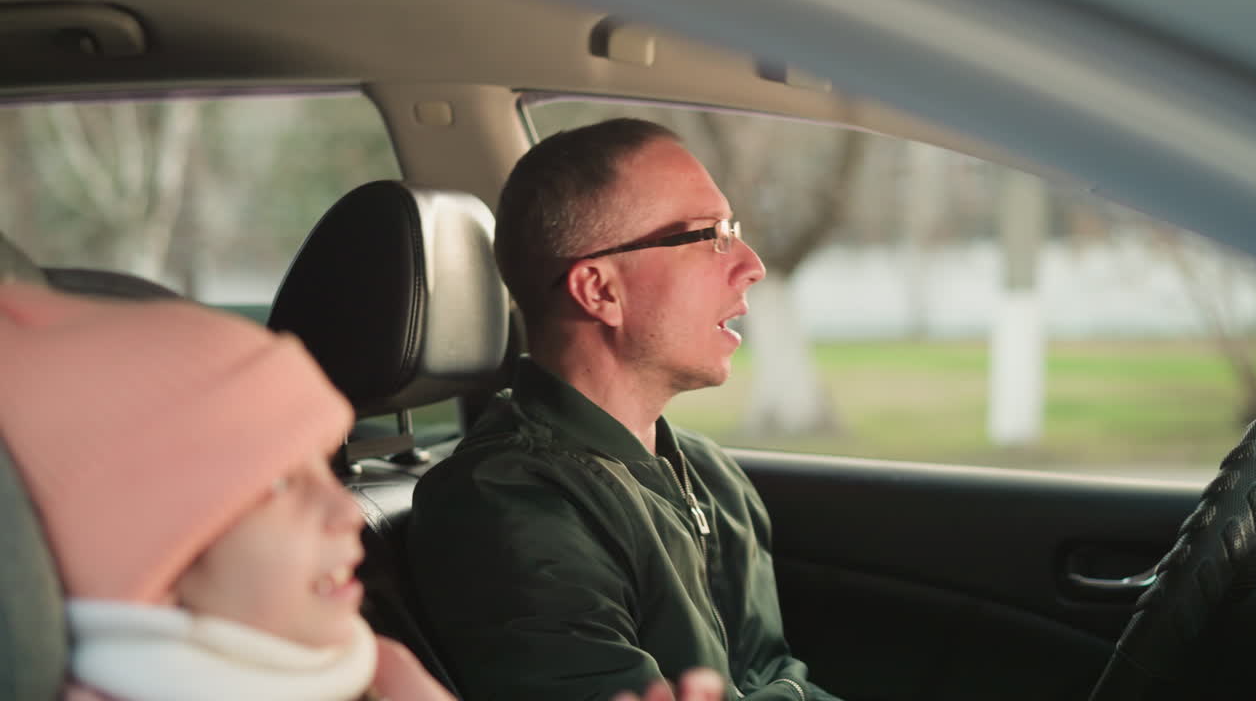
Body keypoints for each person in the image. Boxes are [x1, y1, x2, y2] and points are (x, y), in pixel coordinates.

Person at [0, 281, 722, 701]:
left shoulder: (377, 670)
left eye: (325, 468)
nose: (343, 508)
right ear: (151, 550)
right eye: (280, 483)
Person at [408, 118, 840, 700]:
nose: (751, 264)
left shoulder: (710, 475)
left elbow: (774, 675)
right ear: (600, 291)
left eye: (731, 229)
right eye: (708, 235)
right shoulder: (506, 507)